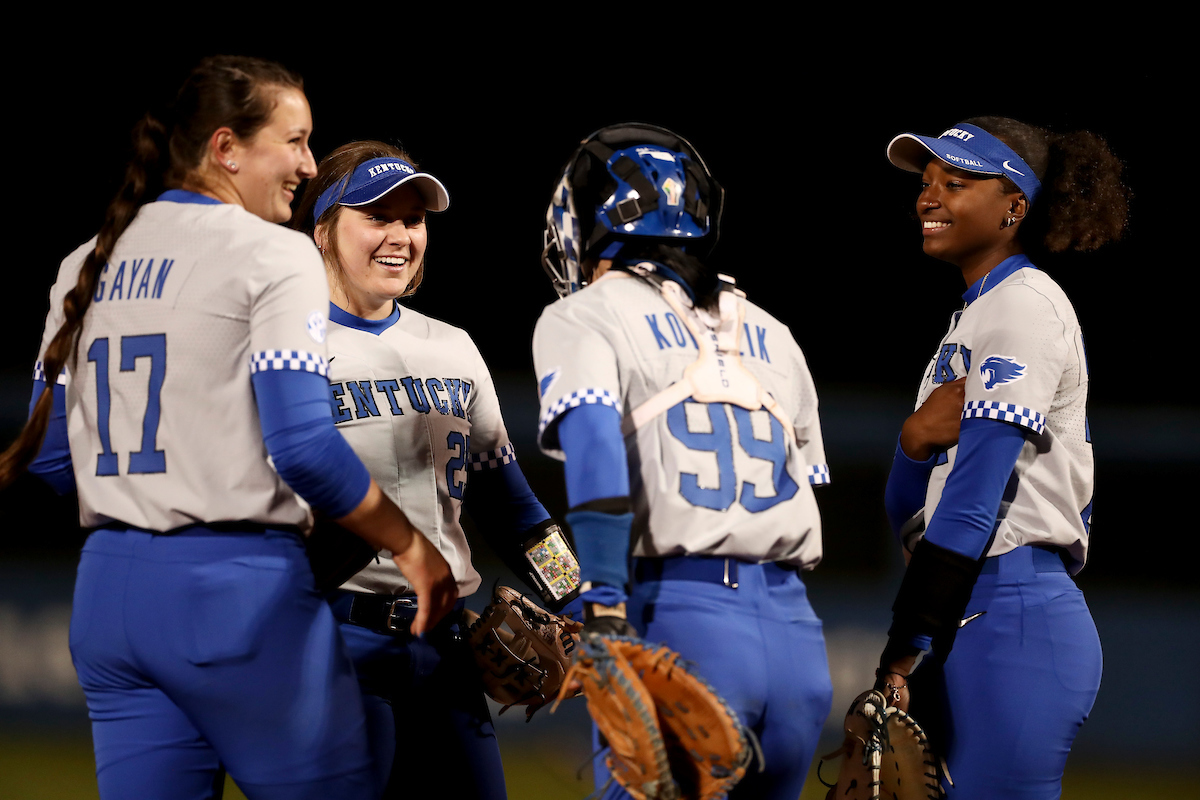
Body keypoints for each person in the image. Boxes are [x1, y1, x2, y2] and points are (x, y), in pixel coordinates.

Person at [0, 56, 456, 800]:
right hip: (234, 596)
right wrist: (409, 546)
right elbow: (304, 446)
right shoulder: (274, 255)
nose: (309, 164)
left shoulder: (85, 261)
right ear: (226, 148)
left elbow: (53, 459)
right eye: (296, 140)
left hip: (109, 595)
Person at [533, 123, 834, 799]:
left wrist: (603, 604)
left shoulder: (587, 314)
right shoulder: (775, 334)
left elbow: (595, 455)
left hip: (678, 620)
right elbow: (808, 484)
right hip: (797, 641)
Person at [292, 140, 571, 800]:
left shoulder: (452, 346)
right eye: (376, 215)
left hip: (445, 650)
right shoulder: (284, 349)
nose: (400, 236)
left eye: (413, 219)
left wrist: (583, 600)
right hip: (331, 643)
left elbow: (516, 511)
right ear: (324, 229)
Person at [874, 117, 1127, 798]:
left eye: (955, 182)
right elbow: (911, 512)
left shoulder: (1025, 306)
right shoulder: (974, 316)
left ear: (1015, 207)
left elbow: (974, 497)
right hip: (972, 606)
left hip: (1018, 613)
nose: (929, 197)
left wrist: (903, 648)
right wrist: (911, 442)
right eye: (927, 182)